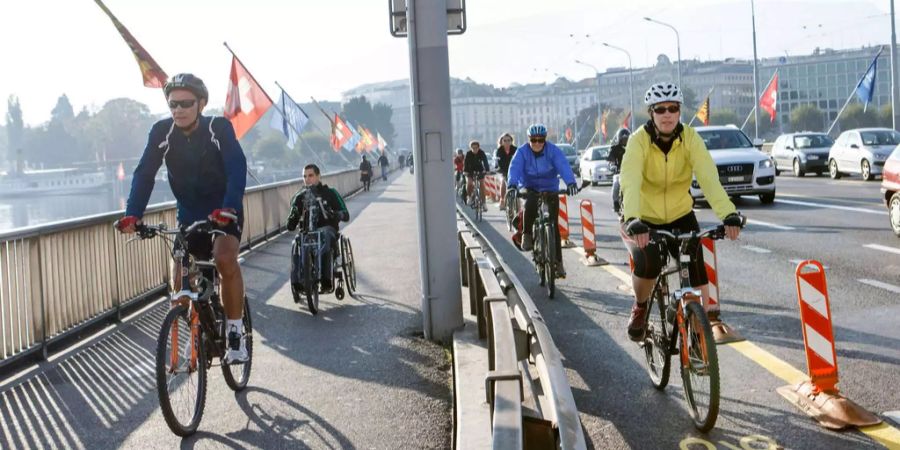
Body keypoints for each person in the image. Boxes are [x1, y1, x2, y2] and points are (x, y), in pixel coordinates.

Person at [115, 73, 249, 363]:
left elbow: (237, 167)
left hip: (223, 208)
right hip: (189, 211)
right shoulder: (161, 132)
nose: (178, 110)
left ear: (201, 103)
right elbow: (145, 173)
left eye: (186, 103)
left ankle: (236, 335)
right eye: (172, 104)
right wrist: (133, 215)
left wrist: (229, 206)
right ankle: (196, 331)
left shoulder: (218, 127)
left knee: (224, 258)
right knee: (180, 279)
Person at [620, 82, 745, 342]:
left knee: (696, 264)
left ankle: (699, 323)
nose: (667, 114)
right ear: (651, 113)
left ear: (679, 112)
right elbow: (629, 182)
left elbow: (709, 178)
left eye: (673, 108)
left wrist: (728, 214)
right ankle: (640, 306)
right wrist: (633, 219)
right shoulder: (638, 141)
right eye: (661, 109)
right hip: (644, 218)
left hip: (681, 213)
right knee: (648, 264)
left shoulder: (690, 137)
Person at [507, 124, 578, 278]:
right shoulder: (522, 152)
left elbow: (563, 165)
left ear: (545, 140)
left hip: (550, 187)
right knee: (530, 202)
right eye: (534, 140)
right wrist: (512, 185)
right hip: (529, 186)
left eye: (541, 140)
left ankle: (558, 263)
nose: (537, 143)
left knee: (554, 225)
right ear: (529, 139)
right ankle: (526, 235)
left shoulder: (553, 150)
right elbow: (514, 168)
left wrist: (570, 182)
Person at [286, 164, 350, 294]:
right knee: (298, 240)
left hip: (327, 229)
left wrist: (338, 214)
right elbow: (292, 219)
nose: (307, 179)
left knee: (324, 235)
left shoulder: (330, 193)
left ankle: (326, 279)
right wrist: (292, 220)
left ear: (318, 176)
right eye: (304, 176)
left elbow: (346, 214)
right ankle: (297, 281)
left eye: (310, 175)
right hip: (307, 232)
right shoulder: (299, 197)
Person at [607, 128, 631, 215]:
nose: (625, 141)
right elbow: (610, 160)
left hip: (631, 172)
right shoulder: (615, 149)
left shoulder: (633, 148)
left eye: (626, 139)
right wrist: (612, 165)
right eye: (623, 139)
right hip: (619, 172)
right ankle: (616, 202)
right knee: (616, 184)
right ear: (619, 139)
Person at [464, 140, 490, 210]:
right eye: (473, 148)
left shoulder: (482, 153)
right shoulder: (468, 154)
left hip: (480, 169)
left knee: (482, 184)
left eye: (476, 148)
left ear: (478, 148)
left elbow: (485, 162)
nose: (474, 149)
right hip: (470, 170)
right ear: (470, 148)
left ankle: (484, 203)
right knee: (469, 183)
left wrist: (487, 170)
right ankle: (469, 197)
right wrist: (465, 171)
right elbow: (466, 163)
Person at [494, 133, 517, 210]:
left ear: (511, 141)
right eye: (505, 140)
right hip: (503, 170)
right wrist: (503, 172)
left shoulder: (515, 149)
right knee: (503, 181)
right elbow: (498, 163)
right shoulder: (499, 151)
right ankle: (502, 200)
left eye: (508, 140)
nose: (507, 142)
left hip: (514, 170)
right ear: (501, 142)